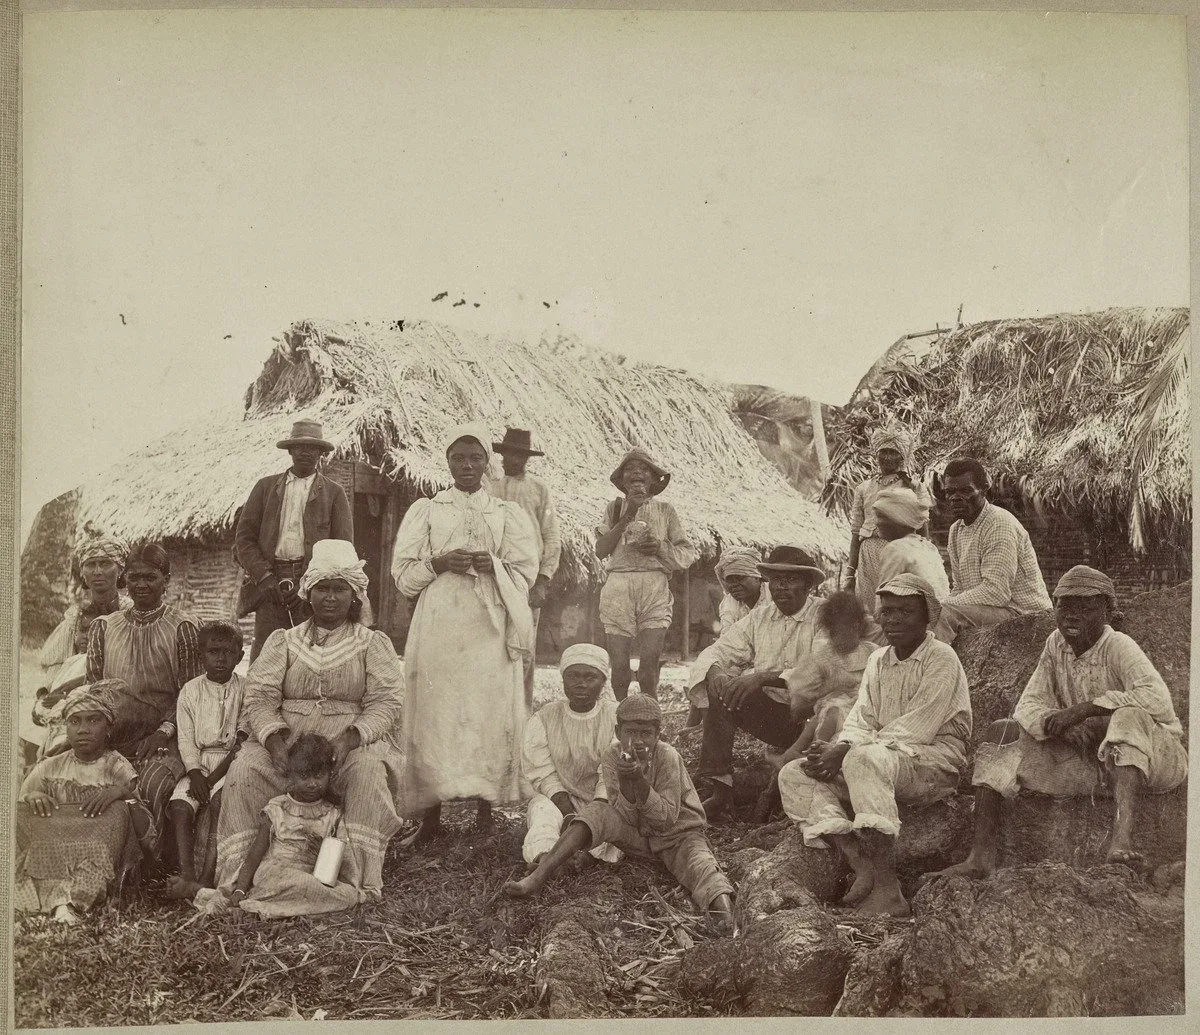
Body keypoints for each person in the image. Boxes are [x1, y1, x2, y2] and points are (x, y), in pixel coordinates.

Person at [925, 566, 1187, 881]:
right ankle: (981, 856)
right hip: (1092, 765)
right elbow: (1028, 704)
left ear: (1106, 611)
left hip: (1154, 760)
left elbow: (1158, 700)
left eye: (1085, 607)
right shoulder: (1055, 644)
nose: (1072, 616)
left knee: (1128, 716)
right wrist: (1059, 723)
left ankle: (1121, 842)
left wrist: (1085, 710)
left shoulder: (1118, 645)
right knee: (1002, 731)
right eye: (1064, 605)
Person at [207, 539, 405, 906]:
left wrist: (348, 740)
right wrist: (274, 743)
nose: (330, 598)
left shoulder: (371, 643)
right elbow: (260, 697)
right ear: (308, 592)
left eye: (340, 589)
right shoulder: (283, 641)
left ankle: (357, 881)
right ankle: (241, 878)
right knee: (246, 770)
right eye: (322, 589)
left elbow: (385, 701)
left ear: (354, 595)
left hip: (348, 742)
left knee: (366, 773)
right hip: (288, 741)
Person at [777, 574, 972, 917]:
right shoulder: (879, 660)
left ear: (927, 618)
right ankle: (859, 859)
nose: (893, 619)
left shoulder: (942, 659)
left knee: (862, 759)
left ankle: (888, 891)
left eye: (905, 612)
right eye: (888, 611)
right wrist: (840, 746)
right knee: (795, 773)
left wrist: (846, 750)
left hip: (933, 762)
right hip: (880, 757)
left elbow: (917, 729)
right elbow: (860, 718)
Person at [392, 425, 539, 844]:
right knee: (437, 708)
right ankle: (431, 815)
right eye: (459, 458)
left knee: (485, 708)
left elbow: (525, 570)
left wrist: (495, 565)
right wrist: (439, 563)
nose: (468, 466)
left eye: (476, 458)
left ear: (487, 463)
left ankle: (485, 813)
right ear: (448, 463)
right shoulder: (427, 510)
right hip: (440, 621)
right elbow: (402, 574)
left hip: (488, 623)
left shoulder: (505, 512)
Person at [504, 695, 736, 934]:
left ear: (658, 734)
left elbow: (665, 819)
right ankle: (540, 874)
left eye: (645, 734)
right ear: (618, 731)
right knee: (596, 812)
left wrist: (639, 782)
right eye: (630, 733)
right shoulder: (613, 756)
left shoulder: (667, 757)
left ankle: (723, 913)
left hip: (677, 836)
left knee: (700, 862)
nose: (637, 742)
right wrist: (627, 784)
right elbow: (621, 816)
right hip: (637, 838)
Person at [689, 546, 883, 819]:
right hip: (776, 716)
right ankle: (721, 789)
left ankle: (791, 793)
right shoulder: (760, 617)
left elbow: (822, 669)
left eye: (791, 580)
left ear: (807, 585)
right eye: (777, 580)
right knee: (721, 688)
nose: (781, 587)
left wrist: (764, 677)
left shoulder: (824, 616)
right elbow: (718, 650)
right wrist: (718, 673)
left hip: (819, 719)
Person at [85, 541, 203, 873]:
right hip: (113, 735)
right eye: (134, 577)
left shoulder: (183, 628)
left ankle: (149, 868)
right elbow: (93, 690)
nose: (141, 585)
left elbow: (191, 693)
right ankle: (101, 863)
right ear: (125, 579)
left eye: (150, 577)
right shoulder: (105, 627)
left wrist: (163, 732)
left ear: (167, 578)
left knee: (150, 786)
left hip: (163, 738)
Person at [16, 684, 153, 924]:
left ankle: (74, 901)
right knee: (17, 814)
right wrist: (31, 797)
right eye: (75, 722)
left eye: (93, 721)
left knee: (119, 812)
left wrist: (120, 793)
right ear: (65, 728)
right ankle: (43, 898)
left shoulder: (117, 767)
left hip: (97, 855)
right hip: (53, 852)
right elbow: (21, 804)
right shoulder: (50, 766)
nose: (83, 730)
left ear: (108, 728)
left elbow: (146, 832)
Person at [235, 420, 354, 661]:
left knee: (308, 657)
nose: (306, 453)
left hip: (312, 586)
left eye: (313, 448)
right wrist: (265, 577)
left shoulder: (334, 493)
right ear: (290, 450)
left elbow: (343, 549)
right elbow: (244, 539)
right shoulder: (265, 488)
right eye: (300, 447)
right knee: (266, 656)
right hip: (270, 584)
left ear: (322, 453)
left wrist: (309, 585)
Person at [595, 448, 698, 700]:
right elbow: (601, 549)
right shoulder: (614, 508)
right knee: (619, 665)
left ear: (653, 480)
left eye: (644, 470)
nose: (637, 473)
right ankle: (621, 719)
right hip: (619, 584)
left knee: (648, 666)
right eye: (630, 469)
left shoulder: (665, 511)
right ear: (623, 479)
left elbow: (686, 553)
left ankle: (649, 720)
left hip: (654, 584)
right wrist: (628, 514)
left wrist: (660, 547)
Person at [226, 733, 363, 917]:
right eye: (304, 776)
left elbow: (335, 866)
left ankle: (279, 905)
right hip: (276, 872)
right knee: (301, 885)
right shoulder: (278, 808)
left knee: (349, 895)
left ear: (330, 775)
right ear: (291, 775)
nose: (313, 784)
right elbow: (253, 857)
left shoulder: (332, 814)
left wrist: (322, 851)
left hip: (309, 877)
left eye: (319, 776)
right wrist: (240, 890)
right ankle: (265, 903)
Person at [521, 643, 621, 868]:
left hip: (604, 801)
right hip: (562, 799)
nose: (581, 684)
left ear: (604, 681)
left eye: (590, 677)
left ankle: (586, 856)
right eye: (573, 676)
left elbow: (611, 772)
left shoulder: (615, 717)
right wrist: (567, 813)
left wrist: (593, 812)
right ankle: (543, 856)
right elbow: (542, 771)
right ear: (563, 679)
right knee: (541, 809)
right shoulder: (546, 718)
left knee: (618, 821)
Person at [31, 536, 130, 762]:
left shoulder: (131, 615)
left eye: (105, 563)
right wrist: (45, 696)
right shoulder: (76, 618)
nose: (97, 571)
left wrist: (67, 689)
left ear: (120, 570)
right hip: (69, 697)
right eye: (90, 564)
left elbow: (125, 672)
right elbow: (57, 667)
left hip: (113, 697)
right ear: (83, 572)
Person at [934, 457, 1051, 642]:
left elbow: (996, 593)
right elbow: (959, 588)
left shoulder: (999, 523)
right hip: (991, 609)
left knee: (942, 615)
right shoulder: (956, 530)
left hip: (1022, 614)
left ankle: (936, 669)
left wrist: (941, 606)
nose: (956, 497)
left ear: (984, 489)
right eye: (950, 491)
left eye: (966, 490)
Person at [166, 621, 247, 888]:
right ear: (201, 655)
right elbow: (186, 739)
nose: (221, 659)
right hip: (198, 764)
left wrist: (211, 781)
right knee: (180, 806)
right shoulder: (190, 691)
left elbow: (241, 743)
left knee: (219, 804)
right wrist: (196, 774)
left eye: (228, 652)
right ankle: (187, 872)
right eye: (213, 652)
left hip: (230, 764)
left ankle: (206, 877)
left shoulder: (246, 689)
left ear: (240, 656)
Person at [488, 427, 563, 706]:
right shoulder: (489, 485)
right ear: (502, 454)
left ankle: (521, 713)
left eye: (520, 454)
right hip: (491, 574)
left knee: (524, 648)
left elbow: (551, 535)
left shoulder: (538, 489)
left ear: (527, 458)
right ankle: (492, 710)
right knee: (492, 643)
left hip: (526, 578)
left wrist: (543, 579)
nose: (514, 459)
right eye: (509, 453)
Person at [763, 592, 877, 773]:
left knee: (835, 711)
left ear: (857, 627)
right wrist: (826, 692)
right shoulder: (823, 657)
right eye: (831, 633)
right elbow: (799, 704)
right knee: (830, 710)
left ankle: (800, 756)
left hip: (865, 712)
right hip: (833, 710)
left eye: (840, 632)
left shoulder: (872, 652)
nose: (835, 639)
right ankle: (813, 752)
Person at [846, 427, 929, 609]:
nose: (888, 457)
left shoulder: (914, 487)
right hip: (868, 556)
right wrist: (849, 575)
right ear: (876, 455)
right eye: (884, 452)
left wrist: (926, 563)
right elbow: (855, 534)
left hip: (902, 554)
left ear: (902, 457)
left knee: (898, 605)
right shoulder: (863, 488)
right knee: (871, 609)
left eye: (893, 452)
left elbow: (923, 530)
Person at [684, 548, 765, 728]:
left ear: (757, 577)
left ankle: (717, 721)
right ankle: (701, 723)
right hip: (739, 655)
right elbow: (727, 639)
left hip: (767, 660)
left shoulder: (772, 602)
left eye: (740, 578)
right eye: (730, 579)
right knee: (709, 666)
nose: (734, 585)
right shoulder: (729, 602)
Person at [870, 487, 950, 602]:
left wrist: (875, 618)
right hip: (942, 613)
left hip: (924, 617)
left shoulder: (895, 548)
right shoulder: (928, 546)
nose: (876, 522)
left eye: (881, 516)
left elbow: (883, 598)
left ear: (898, 520)